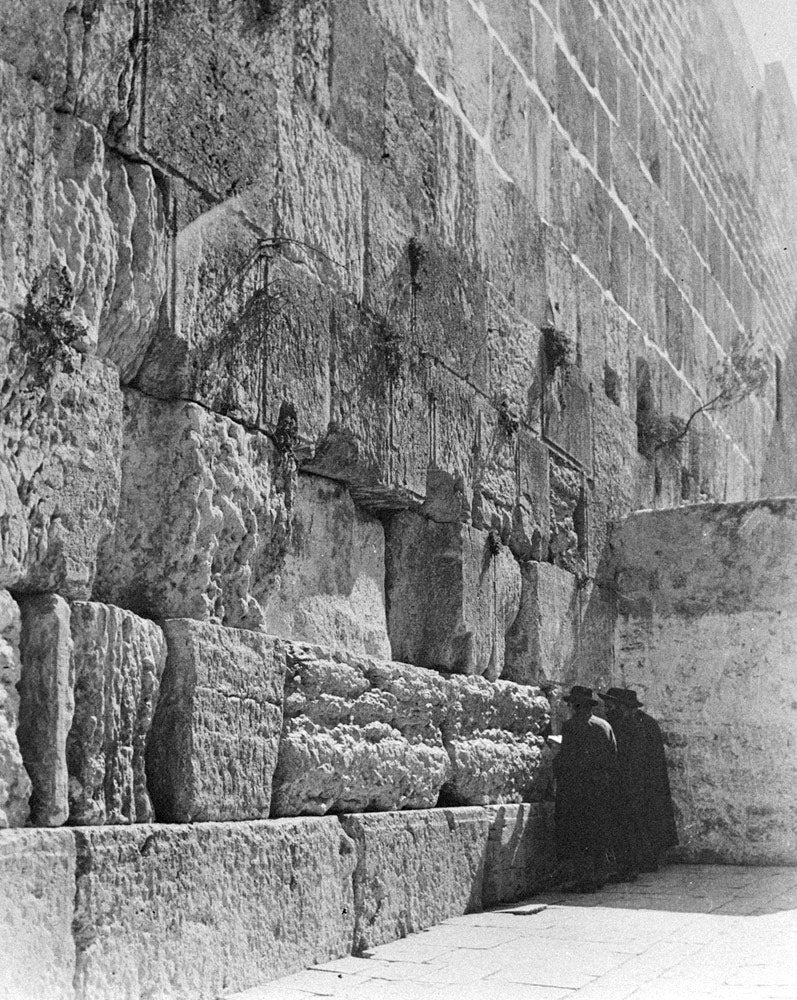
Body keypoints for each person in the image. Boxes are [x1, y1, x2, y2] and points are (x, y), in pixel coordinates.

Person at [601, 688, 678, 869]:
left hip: (639, 782)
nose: (607, 711)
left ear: (622, 707)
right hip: (644, 782)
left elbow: (634, 758)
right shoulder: (643, 722)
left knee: (637, 821)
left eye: (610, 706)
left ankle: (641, 861)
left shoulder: (632, 725)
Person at [552, 685, 619, 892]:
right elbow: (613, 757)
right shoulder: (605, 726)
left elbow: (567, 760)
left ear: (573, 705)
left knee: (579, 834)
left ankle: (584, 881)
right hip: (601, 789)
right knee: (597, 833)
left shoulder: (571, 726)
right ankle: (599, 876)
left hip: (578, 790)